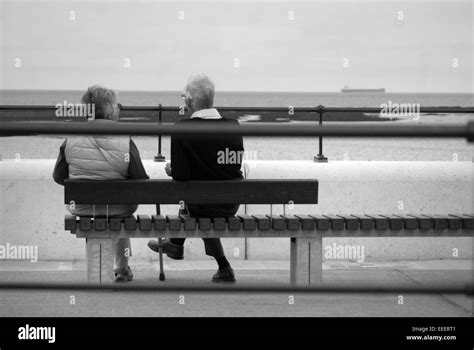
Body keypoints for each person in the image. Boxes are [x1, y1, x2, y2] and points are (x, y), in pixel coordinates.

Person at [148, 74, 244, 282]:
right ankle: (220, 265)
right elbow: (227, 166)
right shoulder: (234, 126)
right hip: (231, 204)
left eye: (185, 99)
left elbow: (181, 177)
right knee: (202, 202)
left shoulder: (183, 128)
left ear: (191, 101)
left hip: (202, 205)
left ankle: (176, 243)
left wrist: (173, 170)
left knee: (197, 205)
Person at [53, 85, 149, 283]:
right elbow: (140, 179)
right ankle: (122, 269)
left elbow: (58, 176)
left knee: (98, 213)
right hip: (119, 208)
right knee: (121, 212)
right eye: (116, 105)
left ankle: (100, 270)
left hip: (84, 208)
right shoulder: (125, 139)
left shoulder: (71, 138)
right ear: (109, 109)